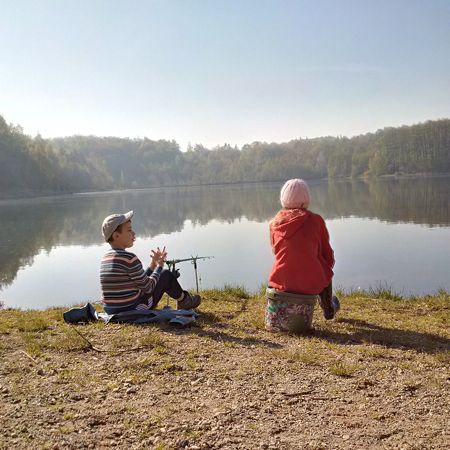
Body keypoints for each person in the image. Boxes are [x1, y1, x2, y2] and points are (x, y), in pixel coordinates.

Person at [100, 210, 201, 314]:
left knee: (158, 276)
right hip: (134, 309)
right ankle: (185, 301)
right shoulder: (129, 258)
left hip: (111, 310)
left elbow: (139, 281)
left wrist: (153, 265)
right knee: (165, 275)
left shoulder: (105, 258)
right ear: (116, 236)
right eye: (129, 230)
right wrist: (159, 267)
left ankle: (184, 300)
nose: (133, 233)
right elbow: (148, 288)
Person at [268, 179, 340, 321]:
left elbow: (276, 252)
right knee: (324, 269)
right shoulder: (315, 221)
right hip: (310, 282)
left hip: (280, 282)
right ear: (306, 199)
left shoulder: (274, 223)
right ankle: (328, 307)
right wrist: (325, 268)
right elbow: (327, 254)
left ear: (283, 198)